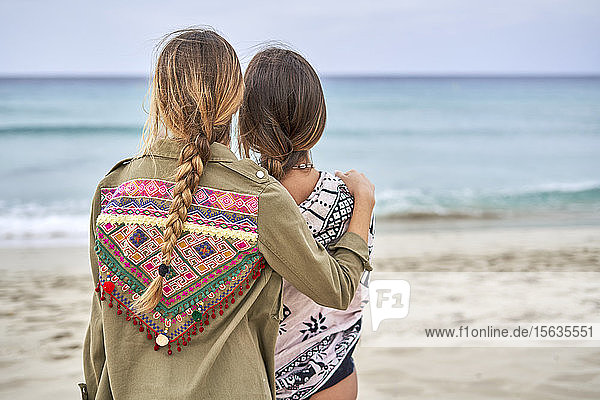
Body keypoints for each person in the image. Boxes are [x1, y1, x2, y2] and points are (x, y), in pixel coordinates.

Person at [80, 29, 375, 400]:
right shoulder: (261, 197)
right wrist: (364, 202)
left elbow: (100, 323)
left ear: (158, 98)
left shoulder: (111, 190)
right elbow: (338, 288)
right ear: (236, 100)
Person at [238, 48, 374, 400]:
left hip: (252, 377)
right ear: (317, 122)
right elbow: (354, 285)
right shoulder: (349, 196)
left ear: (246, 121)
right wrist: (365, 205)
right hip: (333, 371)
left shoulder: (231, 201)